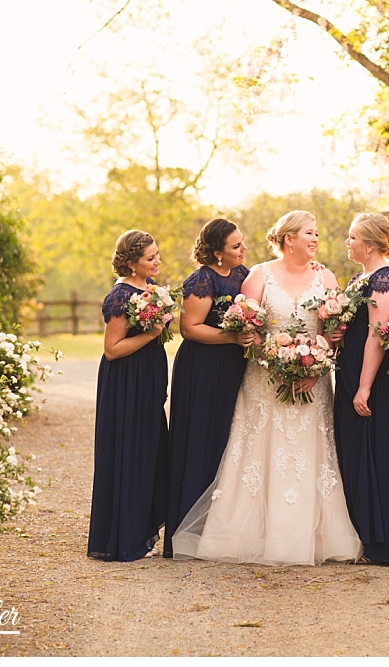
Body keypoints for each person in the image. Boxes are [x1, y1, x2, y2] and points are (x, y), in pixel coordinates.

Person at [172, 210, 362, 566]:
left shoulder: (326, 277)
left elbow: (333, 331)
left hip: (313, 382)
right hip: (265, 379)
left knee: (309, 454)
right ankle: (244, 535)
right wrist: (278, 364)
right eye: (309, 233)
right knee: (258, 451)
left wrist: (316, 364)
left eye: (317, 233)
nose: (316, 239)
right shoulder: (259, 275)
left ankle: (311, 537)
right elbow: (249, 328)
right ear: (289, 239)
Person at [163, 219, 253, 558]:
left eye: (242, 243)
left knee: (229, 439)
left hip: (233, 366)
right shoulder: (201, 280)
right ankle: (186, 533)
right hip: (203, 368)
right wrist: (232, 337)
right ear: (217, 253)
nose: (243, 249)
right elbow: (190, 328)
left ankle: (219, 527)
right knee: (200, 439)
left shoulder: (244, 274)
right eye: (235, 246)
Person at [87, 230, 170, 562]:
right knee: (130, 451)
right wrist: (151, 334)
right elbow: (112, 349)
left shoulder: (150, 290)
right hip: (126, 384)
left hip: (146, 382)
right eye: (151, 257)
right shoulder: (121, 296)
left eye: (157, 254)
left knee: (149, 451)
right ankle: (124, 537)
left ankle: (140, 528)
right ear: (131, 263)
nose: (158, 261)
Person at [333, 212, 389, 564]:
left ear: (370, 245)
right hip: (349, 369)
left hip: (372, 378)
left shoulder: (384, 280)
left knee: (368, 450)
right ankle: (355, 531)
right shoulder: (358, 279)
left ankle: (376, 538)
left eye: (353, 237)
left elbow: (377, 337)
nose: (348, 242)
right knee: (350, 450)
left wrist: (364, 387)